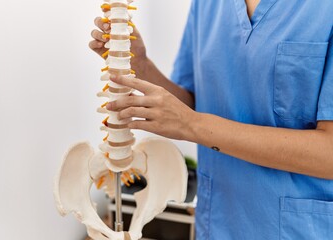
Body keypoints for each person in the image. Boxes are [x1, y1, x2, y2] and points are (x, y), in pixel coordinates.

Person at [90, 0, 333, 239]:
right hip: (216, 221)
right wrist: (141, 66)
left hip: (294, 228)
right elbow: (193, 106)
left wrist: (191, 124)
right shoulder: (207, 5)